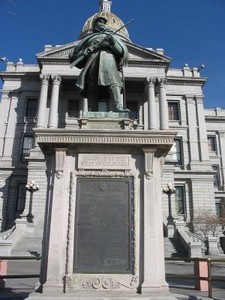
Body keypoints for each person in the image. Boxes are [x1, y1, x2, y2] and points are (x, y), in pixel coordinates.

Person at [69, 16, 129, 112]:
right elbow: (75, 54)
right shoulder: (89, 38)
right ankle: (92, 109)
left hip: (108, 60)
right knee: (92, 85)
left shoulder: (111, 37)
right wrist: (85, 52)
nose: (102, 23)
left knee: (114, 82)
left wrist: (112, 42)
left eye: (103, 22)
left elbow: (121, 51)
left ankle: (118, 106)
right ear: (94, 25)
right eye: (99, 21)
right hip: (92, 61)